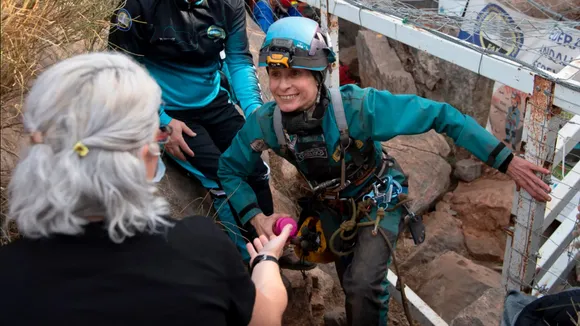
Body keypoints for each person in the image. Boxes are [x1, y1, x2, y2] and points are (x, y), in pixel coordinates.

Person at [217, 17, 553, 326]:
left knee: (363, 284)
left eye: (294, 74)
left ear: (318, 75)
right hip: (333, 207)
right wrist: (255, 216)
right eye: (275, 74)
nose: (282, 86)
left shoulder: (358, 108)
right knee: (352, 281)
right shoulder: (267, 124)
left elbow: (441, 114)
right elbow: (229, 169)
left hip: (379, 198)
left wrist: (507, 161)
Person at [0, 52, 292, 326]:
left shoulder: (9, 275)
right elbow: (265, 318)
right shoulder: (200, 248)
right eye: (156, 134)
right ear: (145, 157)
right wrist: (266, 262)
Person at [107, 0, 311, 270]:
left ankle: (273, 242)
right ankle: (248, 260)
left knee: (255, 168)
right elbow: (119, 68)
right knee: (220, 175)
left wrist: (255, 113)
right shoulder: (137, 6)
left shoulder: (229, 4)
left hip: (213, 100)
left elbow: (238, 59)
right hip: (165, 107)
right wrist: (159, 121)